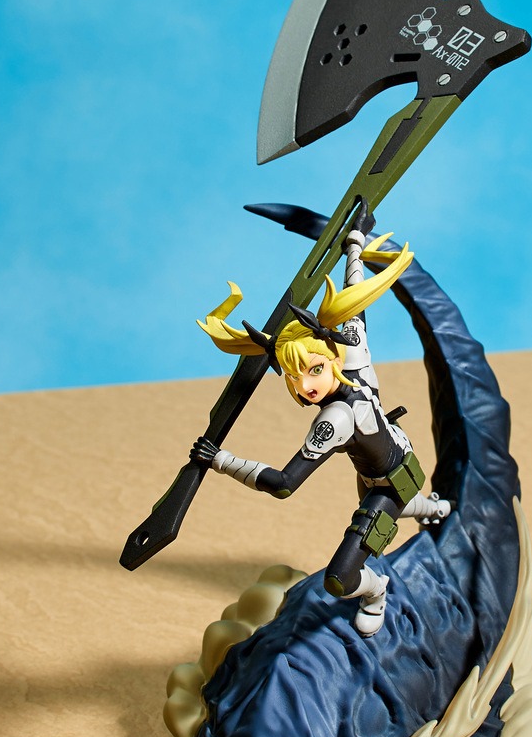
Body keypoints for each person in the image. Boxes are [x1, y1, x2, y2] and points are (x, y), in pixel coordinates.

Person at [189, 216, 451, 637]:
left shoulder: (334, 419)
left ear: (331, 356)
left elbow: (283, 483)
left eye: (312, 370)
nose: (304, 386)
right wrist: (354, 244)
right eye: (293, 378)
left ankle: (377, 590)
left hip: (384, 484)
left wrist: (221, 460)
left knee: (340, 579)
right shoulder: (354, 355)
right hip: (391, 463)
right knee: (403, 502)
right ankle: (436, 508)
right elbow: (355, 303)